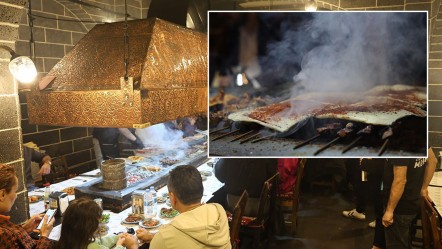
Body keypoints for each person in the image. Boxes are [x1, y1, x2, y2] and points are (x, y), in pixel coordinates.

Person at [136, 165, 231, 249]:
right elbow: (189, 235)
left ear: (173, 198)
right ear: (201, 190)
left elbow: (175, 237)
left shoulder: (164, 238)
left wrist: (133, 246)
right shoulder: (218, 211)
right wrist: (153, 236)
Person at [379, 147, 437, 249]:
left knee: (397, 245)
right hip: (413, 201)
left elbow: (400, 181)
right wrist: (423, 188)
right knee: (405, 240)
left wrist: (389, 210)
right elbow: (432, 161)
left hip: (400, 206)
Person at [0, 163, 54, 248]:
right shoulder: (3, 234)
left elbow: (12, 242)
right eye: (15, 191)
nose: (16, 196)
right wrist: (45, 236)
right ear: (2, 194)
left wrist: (23, 230)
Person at [54, 197, 138, 249]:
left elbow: (100, 242)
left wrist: (117, 237)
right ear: (90, 226)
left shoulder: (70, 241)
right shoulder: (92, 247)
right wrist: (119, 245)